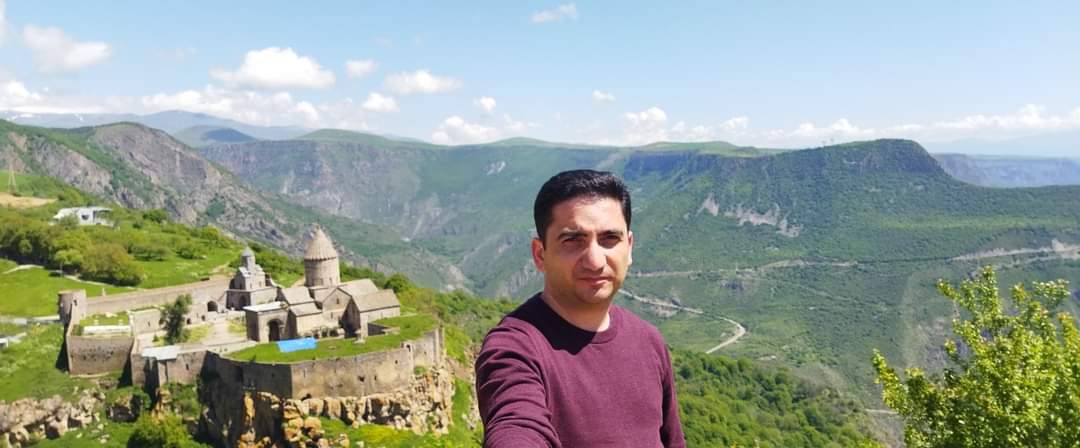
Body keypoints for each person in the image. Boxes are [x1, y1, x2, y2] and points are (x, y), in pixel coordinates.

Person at [475, 169, 686, 447]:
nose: (595, 261)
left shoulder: (649, 340)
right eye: (573, 240)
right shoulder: (515, 349)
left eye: (610, 239)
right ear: (540, 254)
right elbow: (516, 423)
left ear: (629, 247)